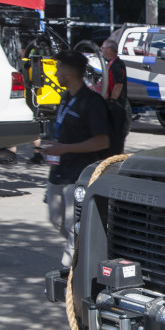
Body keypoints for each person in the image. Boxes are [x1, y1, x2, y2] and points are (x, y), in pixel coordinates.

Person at [42, 50, 111, 269]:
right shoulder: (65, 98)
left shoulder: (91, 102)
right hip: (59, 172)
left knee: (74, 224)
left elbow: (102, 142)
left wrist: (65, 148)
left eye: (58, 68)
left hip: (78, 175)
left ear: (69, 72)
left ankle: (69, 269)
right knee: (55, 219)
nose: (55, 72)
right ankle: (85, 248)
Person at [101, 38, 130, 134]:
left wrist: (112, 102)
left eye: (103, 48)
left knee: (117, 134)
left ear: (109, 50)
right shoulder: (111, 63)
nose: (102, 50)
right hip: (111, 103)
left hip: (117, 104)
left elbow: (118, 85)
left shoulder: (117, 65)